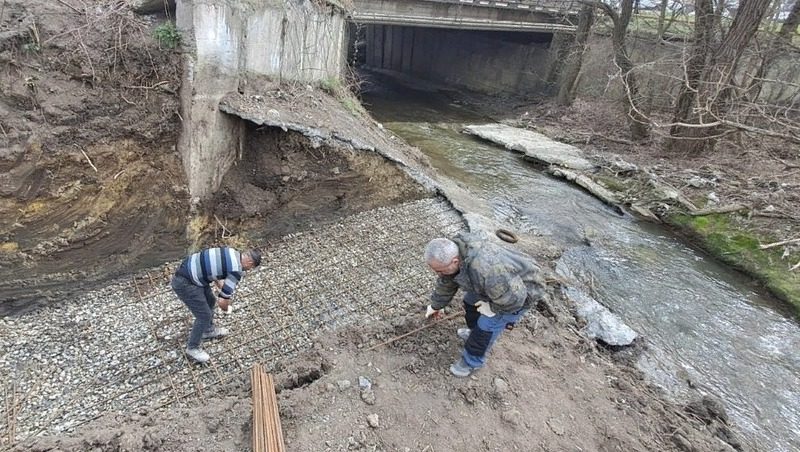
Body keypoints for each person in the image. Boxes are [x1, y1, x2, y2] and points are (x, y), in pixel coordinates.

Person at [424, 232, 544, 377]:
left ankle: (471, 362)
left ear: (455, 262)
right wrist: (436, 305)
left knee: (486, 326)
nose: (438, 274)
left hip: (520, 294)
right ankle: (473, 333)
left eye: (439, 270)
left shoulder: (488, 270)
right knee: (470, 302)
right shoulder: (458, 251)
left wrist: (492, 308)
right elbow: (448, 280)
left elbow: (515, 298)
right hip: (498, 287)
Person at [171, 247, 262, 363]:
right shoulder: (236, 270)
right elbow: (222, 302)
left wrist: (220, 283)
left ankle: (207, 330)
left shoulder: (231, 251)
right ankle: (192, 348)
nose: (248, 270)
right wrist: (227, 307)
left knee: (210, 301)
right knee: (204, 316)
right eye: (251, 268)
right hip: (186, 283)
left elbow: (213, 267)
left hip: (188, 270)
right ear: (250, 262)